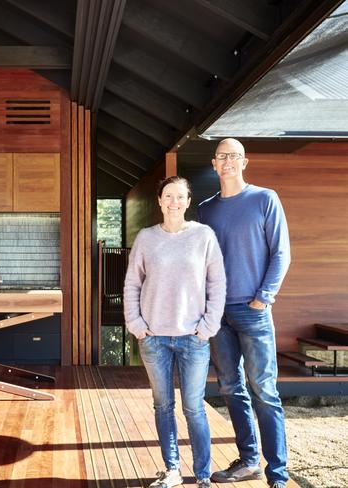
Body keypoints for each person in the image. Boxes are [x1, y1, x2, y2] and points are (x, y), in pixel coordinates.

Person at [198, 138, 291, 488]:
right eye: (222, 157)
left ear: (244, 162)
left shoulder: (265, 199)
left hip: (253, 310)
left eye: (234, 156)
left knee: (263, 390)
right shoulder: (206, 210)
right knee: (230, 387)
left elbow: (281, 253)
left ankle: (277, 475)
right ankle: (249, 461)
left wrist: (264, 297)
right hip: (218, 313)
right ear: (214, 163)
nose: (228, 162)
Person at [124, 176, 226, 488]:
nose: (174, 202)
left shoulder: (203, 236)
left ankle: (203, 474)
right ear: (159, 200)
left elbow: (216, 283)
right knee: (163, 405)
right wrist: (137, 325)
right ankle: (172, 471)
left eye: (180, 196)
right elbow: (132, 284)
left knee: (194, 407)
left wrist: (208, 326)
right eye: (168, 196)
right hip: (154, 338)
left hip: (193, 338)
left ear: (188, 201)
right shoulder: (146, 238)